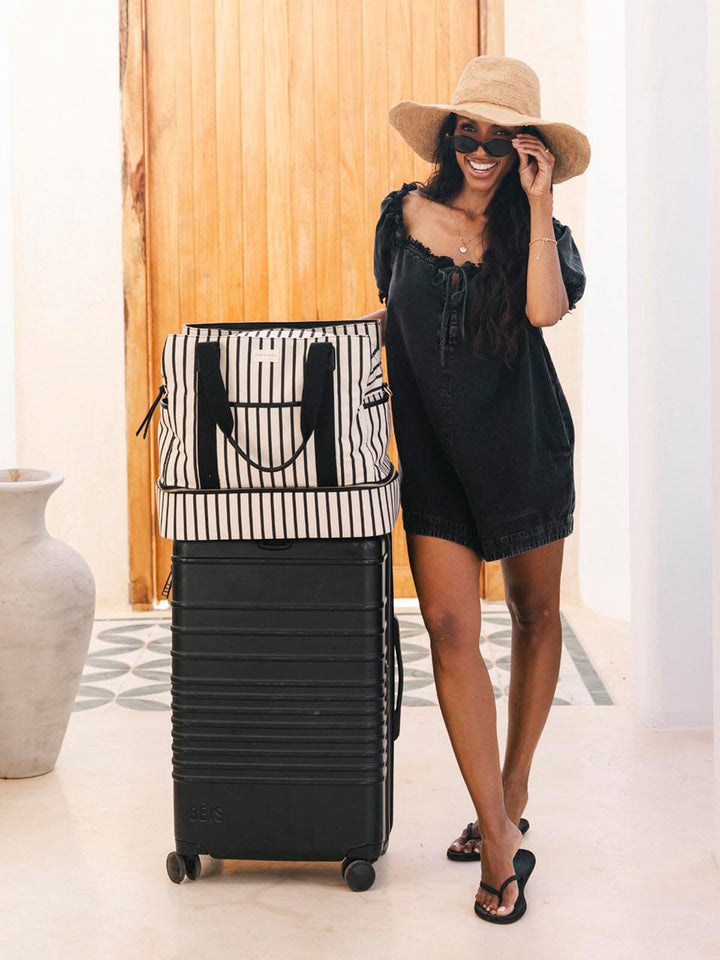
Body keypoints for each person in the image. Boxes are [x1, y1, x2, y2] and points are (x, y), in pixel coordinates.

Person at [361, 56, 590, 924]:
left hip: (525, 446)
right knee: (451, 630)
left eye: (504, 138)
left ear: (528, 148)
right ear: (450, 138)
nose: (483, 150)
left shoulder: (541, 232)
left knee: (535, 614)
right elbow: (392, 313)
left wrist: (540, 202)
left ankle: (512, 790)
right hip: (435, 460)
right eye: (470, 133)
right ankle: (499, 841)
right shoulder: (401, 218)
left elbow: (543, 312)